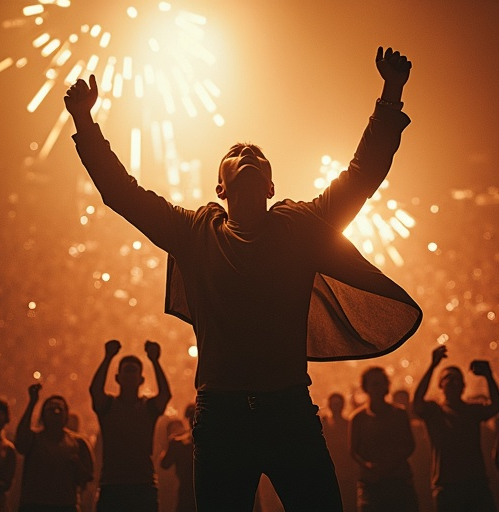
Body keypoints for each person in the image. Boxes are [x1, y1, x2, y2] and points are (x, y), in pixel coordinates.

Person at [65, 46, 422, 511]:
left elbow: (362, 174)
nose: (247, 153)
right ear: (221, 187)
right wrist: (84, 123)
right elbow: (121, 192)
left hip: (289, 409)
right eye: (237, 154)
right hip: (222, 416)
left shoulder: (301, 226)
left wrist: (391, 93)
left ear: (271, 187)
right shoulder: (194, 232)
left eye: (256, 155)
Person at [413, 345, 499, 512]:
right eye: (448, 378)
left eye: (457, 378)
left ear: (463, 386)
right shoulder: (434, 411)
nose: (453, 381)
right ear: (440, 384)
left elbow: (495, 406)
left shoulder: (472, 410)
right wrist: (432, 366)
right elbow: (417, 402)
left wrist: (489, 376)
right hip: (447, 487)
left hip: (476, 484)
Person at [89, 340, 171, 512]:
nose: (130, 374)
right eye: (127, 370)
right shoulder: (108, 406)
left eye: (134, 371)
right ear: (117, 378)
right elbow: (95, 390)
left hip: (143, 484)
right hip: (112, 484)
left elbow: (165, 394)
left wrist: (155, 361)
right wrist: (107, 357)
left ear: (141, 379)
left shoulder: (148, 407)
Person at [15, 384, 94, 512]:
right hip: (34, 505)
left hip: (65, 506)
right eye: (50, 409)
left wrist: (77, 465)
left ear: (66, 415)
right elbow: (20, 444)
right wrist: (32, 403)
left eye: (59, 408)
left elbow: (89, 476)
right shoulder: (34, 438)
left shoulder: (78, 442)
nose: (55, 412)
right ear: (43, 415)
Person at [349, 366, 418, 511]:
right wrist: (368, 466)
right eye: (373, 384)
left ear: (387, 385)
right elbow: (353, 451)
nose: (378, 388)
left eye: (380, 383)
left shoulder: (399, 414)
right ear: (366, 387)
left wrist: (390, 463)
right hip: (372, 484)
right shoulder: (358, 418)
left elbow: (409, 445)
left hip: (399, 482)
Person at [321, 393, 358, 512]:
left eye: (338, 404)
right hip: (329, 471)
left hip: (346, 472)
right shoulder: (323, 425)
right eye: (334, 404)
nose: (336, 407)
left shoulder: (348, 424)